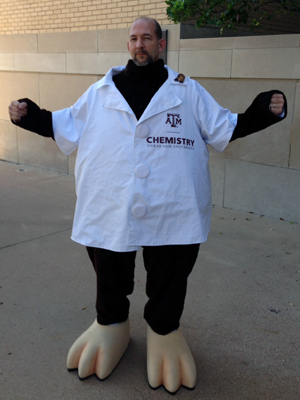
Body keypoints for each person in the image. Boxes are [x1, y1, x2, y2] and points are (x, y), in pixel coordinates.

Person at [8, 16, 286, 395]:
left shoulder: (187, 91)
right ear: (128, 45)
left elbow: (225, 127)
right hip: (110, 202)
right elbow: (64, 124)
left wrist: (263, 111)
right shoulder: (101, 91)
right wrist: (29, 114)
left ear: (160, 44)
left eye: (147, 38)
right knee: (107, 264)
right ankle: (110, 323)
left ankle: (164, 329)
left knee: (171, 271)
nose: (140, 44)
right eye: (134, 38)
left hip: (173, 204)